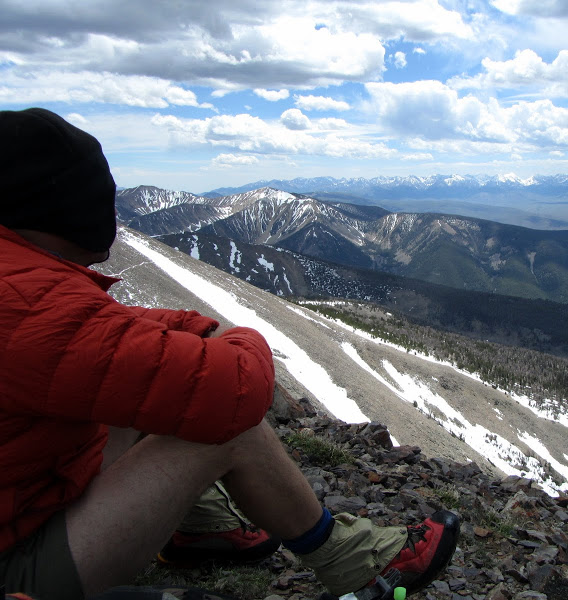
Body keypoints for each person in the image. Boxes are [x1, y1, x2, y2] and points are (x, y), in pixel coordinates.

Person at [0, 108, 459, 600]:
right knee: (221, 424)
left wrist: (195, 329)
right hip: (17, 569)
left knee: (149, 388)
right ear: (60, 207)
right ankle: (352, 561)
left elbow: (104, 339)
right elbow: (235, 388)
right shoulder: (26, 304)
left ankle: (201, 531)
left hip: (23, 514)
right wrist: (234, 337)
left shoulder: (19, 283)